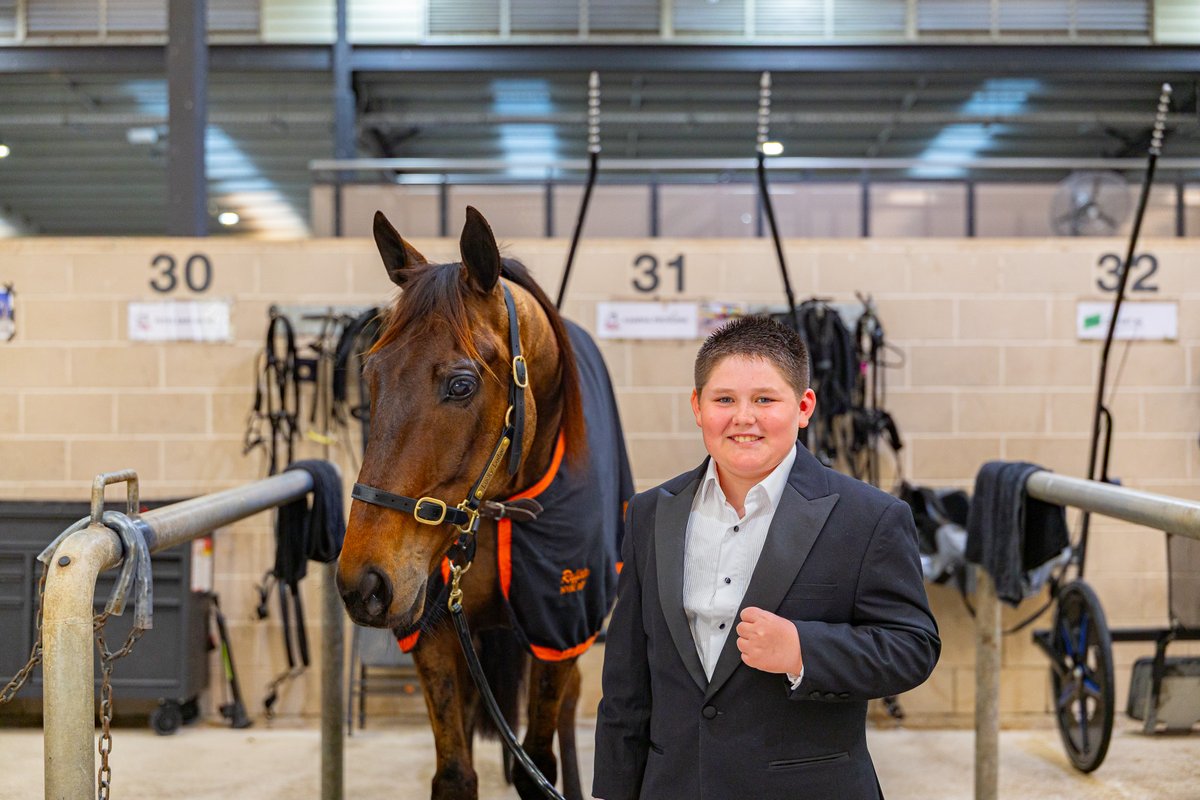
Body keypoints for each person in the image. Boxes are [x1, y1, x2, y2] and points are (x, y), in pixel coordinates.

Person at [593, 315, 940, 800]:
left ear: (804, 407)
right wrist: (614, 790)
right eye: (724, 400)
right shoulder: (651, 513)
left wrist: (803, 650)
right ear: (697, 407)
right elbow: (626, 680)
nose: (743, 417)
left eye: (764, 399)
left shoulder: (870, 517)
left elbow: (913, 647)